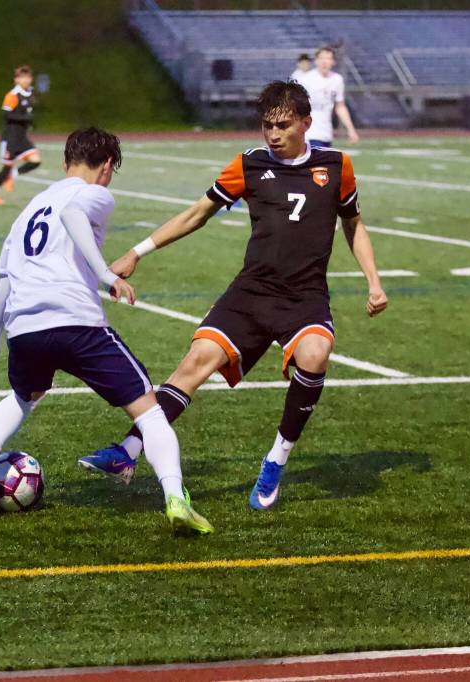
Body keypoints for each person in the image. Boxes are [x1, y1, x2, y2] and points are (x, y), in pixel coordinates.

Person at [78, 81, 387, 511]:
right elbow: (196, 214)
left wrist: (373, 280)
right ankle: (127, 453)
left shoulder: (336, 166)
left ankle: (276, 460)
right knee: (194, 363)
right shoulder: (249, 164)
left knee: (315, 355)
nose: (273, 134)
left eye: (282, 125)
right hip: (251, 293)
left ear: (306, 123)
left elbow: (353, 224)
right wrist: (137, 252)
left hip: (304, 297)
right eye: (266, 125)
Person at [0, 127, 213, 536]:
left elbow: (2, 286)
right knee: (149, 411)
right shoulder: (95, 193)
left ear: (64, 162)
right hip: (75, 321)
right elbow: (73, 215)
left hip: (25, 327)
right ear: (107, 166)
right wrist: (107, 275)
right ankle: (176, 498)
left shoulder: (28, 209)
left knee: (25, 396)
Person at [0, 65, 41, 206]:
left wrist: (31, 122)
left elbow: (28, 112)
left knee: (35, 160)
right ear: (16, 79)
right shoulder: (12, 95)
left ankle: (13, 175)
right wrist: (26, 119)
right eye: (22, 77)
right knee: (6, 168)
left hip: (22, 138)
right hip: (10, 138)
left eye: (28, 77)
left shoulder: (29, 94)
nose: (25, 80)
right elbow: (6, 115)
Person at [290, 47, 359, 147]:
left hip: (326, 134)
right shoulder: (305, 80)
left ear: (333, 62)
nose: (325, 62)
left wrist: (351, 129)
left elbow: (340, 107)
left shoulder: (337, 79)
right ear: (316, 61)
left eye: (328, 58)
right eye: (322, 58)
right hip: (308, 134)